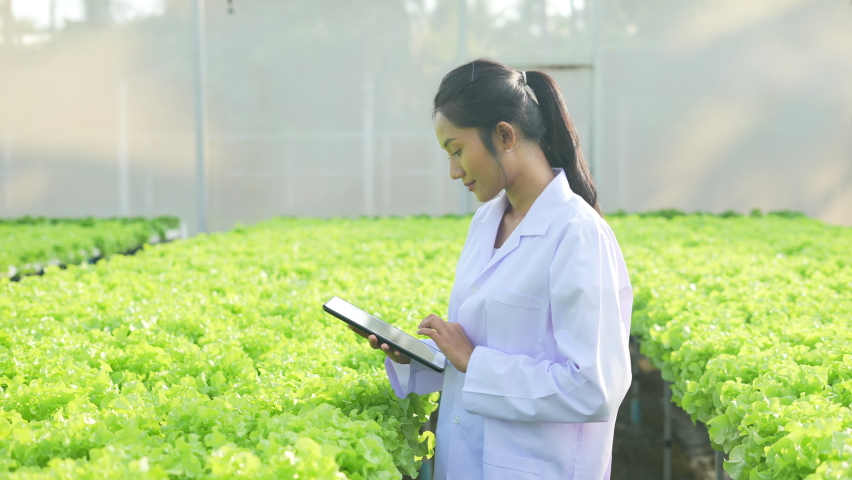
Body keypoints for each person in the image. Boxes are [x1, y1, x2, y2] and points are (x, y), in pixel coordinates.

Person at [349, 58, 632, 480]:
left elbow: (594, 389)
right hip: (466, 461)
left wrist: (473, 362)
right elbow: (479, 349)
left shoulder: (578, 235)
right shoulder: (486, 222)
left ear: (504, 135)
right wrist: (417, 357)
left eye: (457, 150)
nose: (454, 171)